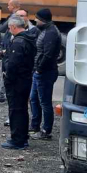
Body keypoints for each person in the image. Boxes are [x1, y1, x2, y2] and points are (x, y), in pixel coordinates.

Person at [1, 15, 37, 150]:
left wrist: (8, 77)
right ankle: (22, 137)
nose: (9, 30)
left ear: (14, 27)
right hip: (25, 78)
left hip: (17, 81)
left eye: (10, 28)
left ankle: (17, 140)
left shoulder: (18, 42)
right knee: (22, 110)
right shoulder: (29, 39)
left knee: (16, 110)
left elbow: (13, 64)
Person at [30, 8, 61, 140]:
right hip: (41, 72)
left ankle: (46, 130)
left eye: (37, 18)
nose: (35, 20)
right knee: (34, 99)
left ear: (42, 19)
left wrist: (39, 69)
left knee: (45, 102)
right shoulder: (47, 31)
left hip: (45, 73)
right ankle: (35, 125)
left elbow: (48, 54)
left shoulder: (51, 33)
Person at [0, 0, 21, 103]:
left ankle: (1, 95)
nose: (8, 7)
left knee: (3, 72)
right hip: (10, 49)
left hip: (8, 50)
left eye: (9, 5)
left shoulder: (14, 17)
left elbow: (2, 28)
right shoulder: (19, 17)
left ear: (14, 6)